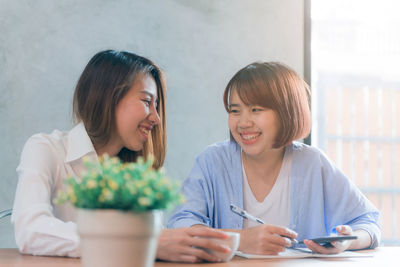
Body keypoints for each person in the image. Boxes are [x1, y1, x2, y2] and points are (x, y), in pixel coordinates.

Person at [11, 50, 230, 263]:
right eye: (146, 101)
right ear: (108, 97)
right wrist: (143, 242)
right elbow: (30, 230)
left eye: (157, 106)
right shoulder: (46, 149)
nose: (156, 118)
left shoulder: (138, 172)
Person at [167, 62, 381, 255]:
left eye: (255, 110)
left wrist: (347, 241)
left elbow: (368, 223)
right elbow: (181, 222)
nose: (243, 123)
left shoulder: (313, 163)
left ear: (287, 112)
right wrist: (239, 240)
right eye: (235, 111)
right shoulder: (213, 161)